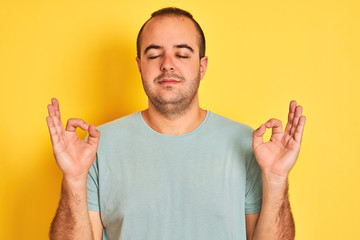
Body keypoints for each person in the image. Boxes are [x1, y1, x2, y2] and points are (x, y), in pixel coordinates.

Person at [46, 7, 306, 240]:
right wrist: (74, 179)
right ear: (139, 66)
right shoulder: (96, 148)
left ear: (202, 66)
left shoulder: (248, 145)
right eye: (154, 54)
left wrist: (276, 179)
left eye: (182, 54)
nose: (167, 65)